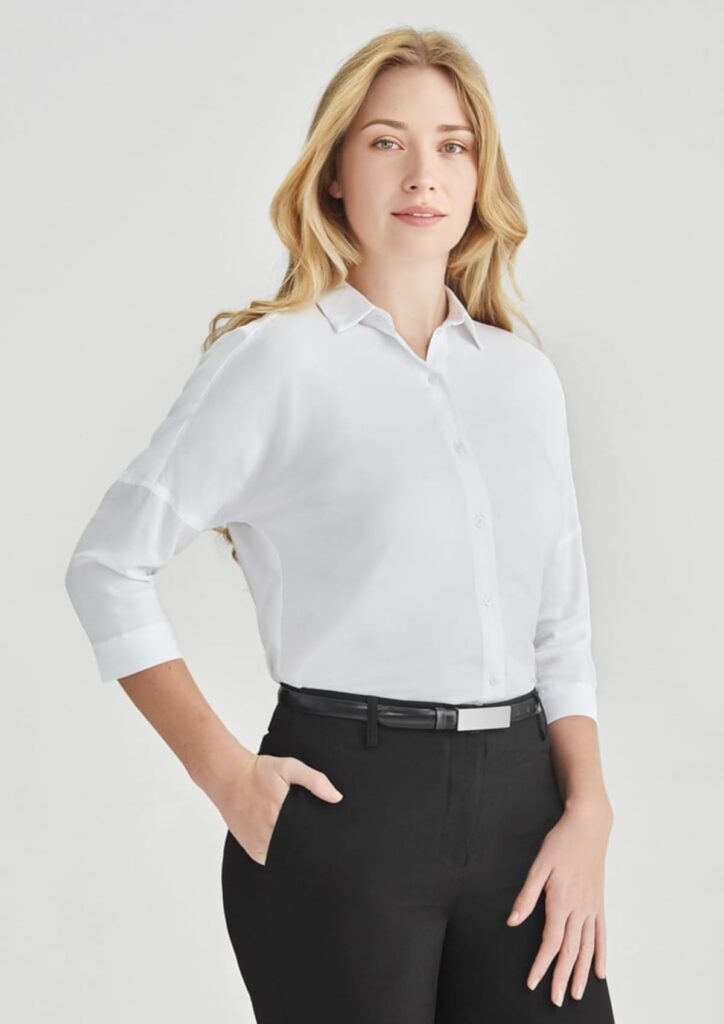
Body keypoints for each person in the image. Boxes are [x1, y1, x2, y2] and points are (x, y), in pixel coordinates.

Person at [64, 25, 616, 1024]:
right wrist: (228, 779)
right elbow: (107, 565)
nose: (422, 174)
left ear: (480, 173)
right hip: (342, 810)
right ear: (333, 174)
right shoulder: (277, 362)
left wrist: (590, 810)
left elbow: (559, 626)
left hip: (525, 812)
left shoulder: (523, 380)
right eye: (385, 142)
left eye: (452, 145)